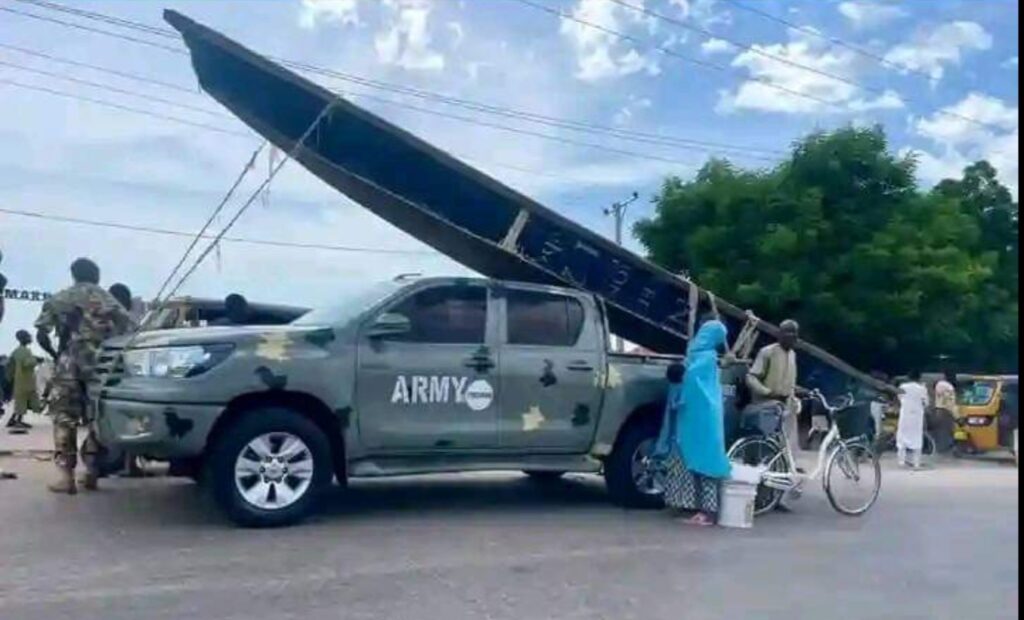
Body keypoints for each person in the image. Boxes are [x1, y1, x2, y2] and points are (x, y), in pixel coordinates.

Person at [35, 258, 131, 494]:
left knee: (64, 418)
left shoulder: (60, 299)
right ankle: (92, 473)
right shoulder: (110, 301)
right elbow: (128, 329)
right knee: (97, 419)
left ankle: (66, 477)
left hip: (69, 364)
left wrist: (55, 354)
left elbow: (41, 333)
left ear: (74, 275)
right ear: (97, 276)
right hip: (101, 365)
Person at [655, 320, 733, 526]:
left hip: (699, 418)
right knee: (693, 459)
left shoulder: (704, 358)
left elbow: (691, 381)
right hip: (699, 418)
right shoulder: (703, 356)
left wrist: (678, 376)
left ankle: (707, 512)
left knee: (703, 462)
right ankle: (694, 506)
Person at [5, 330, 40, 432]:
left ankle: (13, 419)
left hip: (19, 380)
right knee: (22, 401)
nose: (31, 338)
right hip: (24, 380)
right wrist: (36, 360)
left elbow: (10, 365)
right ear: (24, 338)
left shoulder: (17, 351)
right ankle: (18, 421)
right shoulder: (24, 351)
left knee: (21, 400)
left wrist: (9, 378)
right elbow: (26, 363)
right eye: (29, 337)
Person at [897, 371, 930, 469]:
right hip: (917, 416)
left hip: (905, 415)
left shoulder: (902, 387)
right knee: (917, 438)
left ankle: (901, 462)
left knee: (902, 437)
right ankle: (916, 463)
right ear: (919, 378)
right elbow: (926, 402)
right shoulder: (922, 388)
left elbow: (900, 398)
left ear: (908, 377)